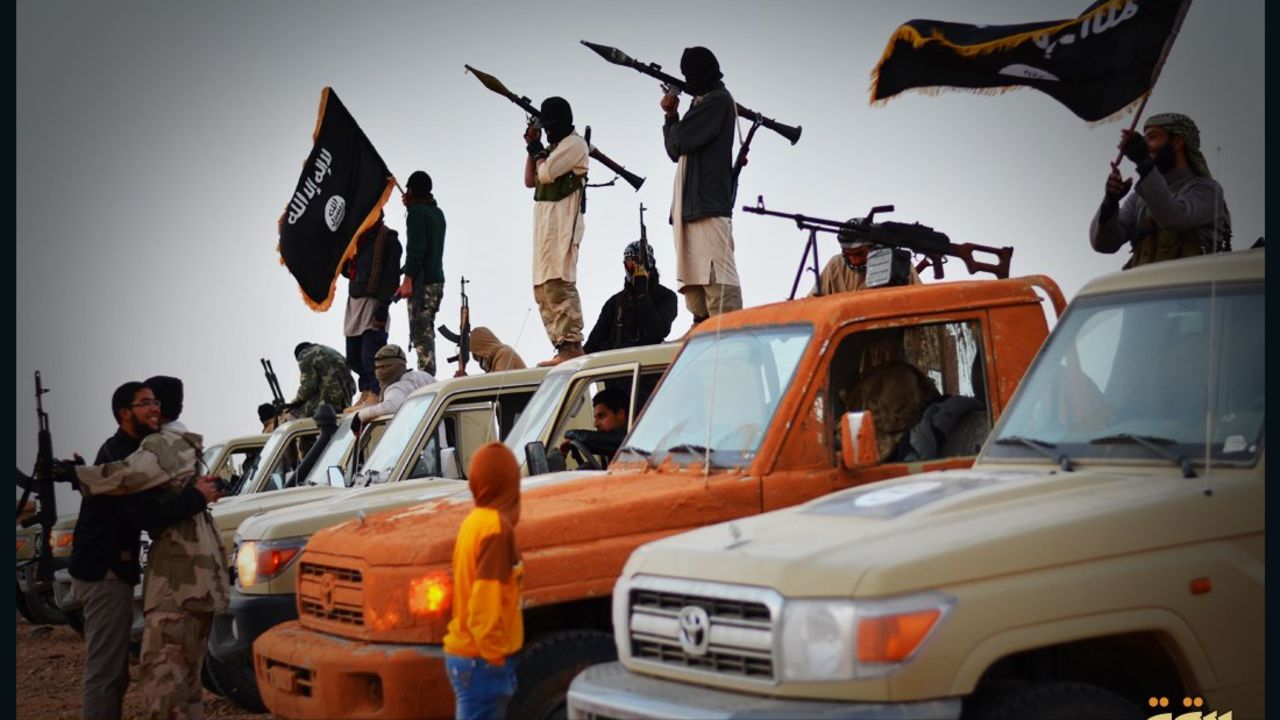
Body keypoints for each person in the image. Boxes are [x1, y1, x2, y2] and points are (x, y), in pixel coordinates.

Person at [70, 376, 228, 720]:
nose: (153, 408)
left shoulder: (154, 450)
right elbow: (146, 513)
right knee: (112, 672)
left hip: (150, 575)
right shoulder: (127, 454)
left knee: (167, 675)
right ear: (125, 413)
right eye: (146, 403)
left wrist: (199, 493)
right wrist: (197, 496)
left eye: (156, 402)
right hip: (105, 570)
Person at [662, 46, 742, 327]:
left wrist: (671, 115)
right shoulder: (704, 102)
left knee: (718, 280)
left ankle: (728, 335)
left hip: (707, 206)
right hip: (691, 207)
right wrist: (673, 115)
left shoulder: (717, 101)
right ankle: (703, 332)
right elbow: (676, 151)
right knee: (695, 283)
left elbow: (677, 143)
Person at [443, 442, 524, 720]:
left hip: (465, 655)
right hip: (481, 659)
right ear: (508, 483)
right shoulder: (496, 529)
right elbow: (484, 603)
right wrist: (495, 658)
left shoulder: (474, 521)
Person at [1090, 112, 1232, 270]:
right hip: (1146, 290)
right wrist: (1110, 202)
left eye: (1152, 137)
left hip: (1191, 290)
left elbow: (1174, 216)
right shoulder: (1139, 199)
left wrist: (1143, 161)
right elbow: (1103, 244)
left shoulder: (1207, 190)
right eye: (1144, 141)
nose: (1146, 146)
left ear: (1177, 141)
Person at [524, 96, 589, 366]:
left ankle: (572, 344)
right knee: (543, 288)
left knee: (560, 283)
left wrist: (539, 149)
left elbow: (547, 173)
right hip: (545, 230)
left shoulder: (574, 145)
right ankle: (560, 345)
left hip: (563, 228)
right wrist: (532, 148)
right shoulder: (552, 148)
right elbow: (531, 180)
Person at [344, 212, 401, 411]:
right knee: (354, 356)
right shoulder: (358, 241)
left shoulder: (389, 241)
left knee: (371, 354)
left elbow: (391, 278)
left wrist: (382, 308)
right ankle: (365, 392)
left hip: (374, 303)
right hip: (354, 303)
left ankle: (375, 393)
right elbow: (347, 271)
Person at [583, 241, 679, 353]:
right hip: (619, 364)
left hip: (649, 364)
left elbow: (657, 333)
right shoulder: (615, 302)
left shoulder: (666, 296)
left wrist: (642, 294)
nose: (632, 266)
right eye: (628, 262)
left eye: (637, 262)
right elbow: (592, 344)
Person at [396, 170, 447, 375]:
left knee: (420, 330)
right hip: (436, 281)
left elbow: (416, 249)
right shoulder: (437, 213)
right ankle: (427, 372)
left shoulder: (417, 214)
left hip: (422, 283)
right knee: (426, 327)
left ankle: (425, 375)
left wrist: (407, 279)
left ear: (412, 191)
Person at [809, 224, 922, 296]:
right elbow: (813, 302)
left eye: (859, 254)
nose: (855, 261)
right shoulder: (836, 265)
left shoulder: (897, 262)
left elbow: (920, 299)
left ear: (873, 247)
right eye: (849, 255)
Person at [355, 344, 435, 421]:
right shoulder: (424, 376)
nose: (379, 371)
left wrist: (360, 416)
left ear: (397, 365)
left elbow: (391, 406)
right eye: (377, 367)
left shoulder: (397, 387)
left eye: (384, 367)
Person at [559, 387, 629, 463]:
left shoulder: (631, 439)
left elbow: (589, 438)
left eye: (601, 416)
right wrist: (562, 454)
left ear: (620, 414)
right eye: (595, 418)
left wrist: (570, 434)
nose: (596, 424)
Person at [290, 341, 356, 418]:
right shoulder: (334, 352)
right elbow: (353, 387)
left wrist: (295, 401)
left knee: (293, 414)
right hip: (345, 405)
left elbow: (308, 386)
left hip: (326, 407)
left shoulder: (305, 355)